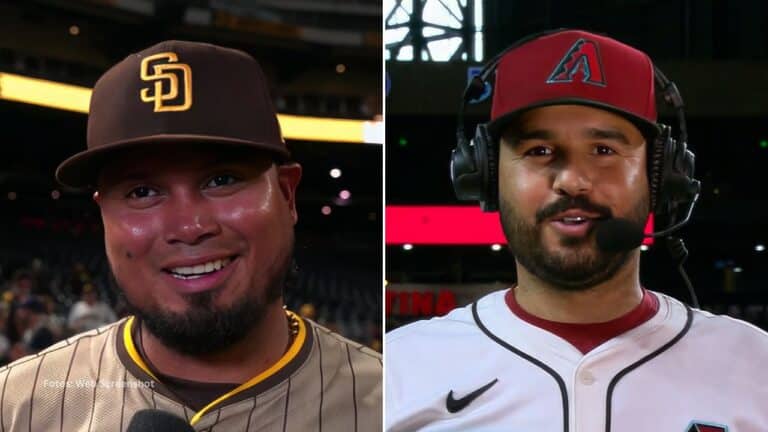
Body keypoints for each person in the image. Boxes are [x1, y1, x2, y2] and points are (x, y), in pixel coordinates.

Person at [386, 29, 768, 431]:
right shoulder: (400, 371)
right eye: (539, 151)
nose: (572, 180)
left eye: (604, 151)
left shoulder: (756, 367)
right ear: (486, 176)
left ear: (661, 177)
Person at [0, 40, 381, 431]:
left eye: (222, 180)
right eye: (142, 192)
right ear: (103, 217)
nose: (188, 227)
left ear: (287, 195)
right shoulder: (14, 405)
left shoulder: (395, 402)